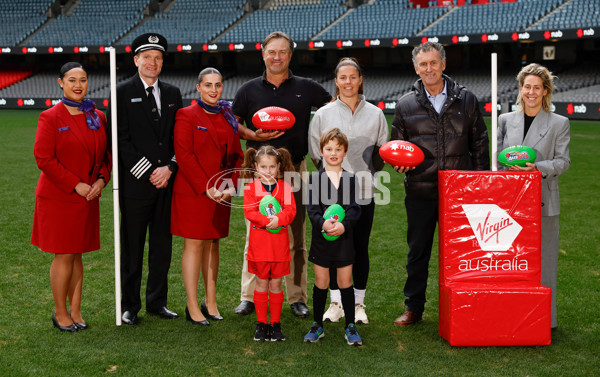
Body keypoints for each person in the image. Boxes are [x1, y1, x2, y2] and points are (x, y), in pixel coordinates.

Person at [232, 31, 331, 318]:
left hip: (293, 171)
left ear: (290, 55)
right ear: (263, 54)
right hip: (257, 172)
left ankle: (296, 296)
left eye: (282, 52)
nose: (277, 57)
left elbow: (331, 111)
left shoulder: (307, 87)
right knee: (256, 232)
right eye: (271, 52)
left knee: (295, 234)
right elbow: (233, 122)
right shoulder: (248, 89)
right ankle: (249, 296)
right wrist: (252, 133)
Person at [391, 42, 490, 326]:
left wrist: (480, 184)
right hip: (421, 192)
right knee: (418, 252)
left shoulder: (467, 99)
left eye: (434, 63)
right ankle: (414, 308)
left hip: (461, 192)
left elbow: (480, 143)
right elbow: (397, 146)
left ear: (443, 64)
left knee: (465, 252)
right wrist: (398, 162)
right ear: (416, 68)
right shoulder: (405, 104)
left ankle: (467, 304)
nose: (429, 69)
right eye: (423, 64)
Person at [308, 57, 388, 325]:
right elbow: (315, 154)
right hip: (331, 194)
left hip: (363, 193)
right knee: (331, 247)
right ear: (336, 81)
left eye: (353, 77)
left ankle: (358, 302)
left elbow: (381, 153)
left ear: (360, 79)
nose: (348, 82)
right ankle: (335, 303)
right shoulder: (322, 114)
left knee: (359, 248)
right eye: (343, 77)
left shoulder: (376, 114)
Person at [32, 62, 111, 332]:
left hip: (89, 195)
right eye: (72, 80)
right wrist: (75, 184)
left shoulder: (97, 116)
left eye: (83, 79)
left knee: (78, 255)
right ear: (60, 83)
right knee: (64, 255)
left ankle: (76, 311)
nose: (78, 85)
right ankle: (59, 312)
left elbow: (106, 156)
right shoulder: (50, 117)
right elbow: (43, 158)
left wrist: (101, 180)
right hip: (60, 197)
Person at [113, 33, 183, 325]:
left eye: (158, 57)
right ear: (136, 60)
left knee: (161, 247)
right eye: (147, 57)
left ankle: (157, 302)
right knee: (132, 248)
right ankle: (129, 305)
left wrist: (168, 168)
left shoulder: (173, 93)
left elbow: (178, 138)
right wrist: (149, 171)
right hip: (135, 185)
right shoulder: (121, 91)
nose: (152, 62)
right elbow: (119, 140)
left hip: (166, 183)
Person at [498, 63, 570, 329]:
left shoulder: (559, 123)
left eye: (536, 87)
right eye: (527, 86)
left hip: (543, 201)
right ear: (520, 89)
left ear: (545, 91)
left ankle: (545, 321)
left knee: (545, 264)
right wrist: (505, 163)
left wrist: (536, 168)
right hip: (511, 202)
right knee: (511, 261)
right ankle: (512, 315)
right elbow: (497, 158)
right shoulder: (504, 120)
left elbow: (563, 162)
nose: (531, 92)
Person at [171, 68, 243, 326]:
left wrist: (231, 185)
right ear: (198, 87)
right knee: (195, 245)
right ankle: (192, 305)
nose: (214, 90)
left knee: (213, 244)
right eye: (208, 85)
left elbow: (236, 155)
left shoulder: (228, 116)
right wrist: (206, 187)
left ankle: (210, 301)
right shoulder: (186, 114)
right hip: (195, 191)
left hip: (222, 191)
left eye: (218, 85)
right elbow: (184, 154)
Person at [304, 128, 362, 345]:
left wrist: (344, 226)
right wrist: (323, 224)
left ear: (345, 151)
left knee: (345, 282)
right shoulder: (314, 179)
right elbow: (312, 210)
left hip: (344, 241)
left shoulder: (350, 179)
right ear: (321, 151)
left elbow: (355, 209)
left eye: (338, 149)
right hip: (322, 240)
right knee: (321, 281)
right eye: (329, 149)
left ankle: (350, 325)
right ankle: (317, 324)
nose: (333, 153)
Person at [241, 146, 297, 341]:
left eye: (272, 166)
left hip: (279, 247)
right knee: (262, 282)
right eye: (263, 166)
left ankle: (275, 323)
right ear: (256, 167)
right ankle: (261, 323)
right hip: (260, 247)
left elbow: (291, 210)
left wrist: (279, 220)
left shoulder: (286, 188)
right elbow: (250, 213)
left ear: (279, 166)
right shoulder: (250, 188)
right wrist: (267, 221)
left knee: (276, 283)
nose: (267, 171)